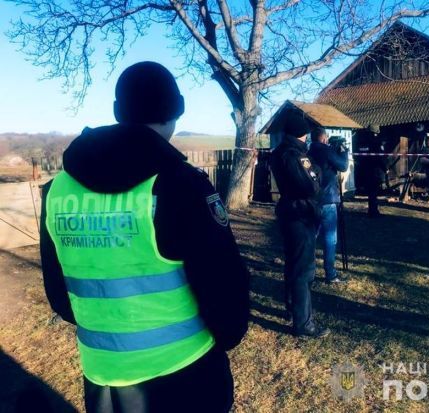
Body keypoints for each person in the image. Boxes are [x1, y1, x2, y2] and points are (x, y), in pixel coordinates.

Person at [39, 61, 249, 413]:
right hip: (184, 374)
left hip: (102, 378)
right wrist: (228, 334)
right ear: (176, 110)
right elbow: (222, 282)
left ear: (118, 111)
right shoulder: (181, 184)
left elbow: (58, 292)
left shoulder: (58, 189)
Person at [270, 113, 330, 338]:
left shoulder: (279, 152)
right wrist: (317, 172)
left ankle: (292, 308)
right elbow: (311, 186)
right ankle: (303, 323)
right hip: (300, 214)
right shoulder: (295, 155)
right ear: (303, 133)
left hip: (289, 211)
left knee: (292, 263)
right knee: (303, 270)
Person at [307, 127, 349, 283]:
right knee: (330, 238)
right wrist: (344, 151)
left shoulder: (308, 152)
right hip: (328, 199)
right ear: (324, 138)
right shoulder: (326, 150)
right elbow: (343, 166)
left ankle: (308, 272)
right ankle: (330, 274)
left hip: (312, 200)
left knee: (312, 236)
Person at [362, 125, 388, 217]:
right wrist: (385, 168)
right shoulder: (377, 143)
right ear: (376, 132)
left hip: (366, 170)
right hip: (375, 171)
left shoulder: (364, 141)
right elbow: (380, 158)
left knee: (371, 193)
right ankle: (374, 212)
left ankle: (371, 211)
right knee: (373, 192)